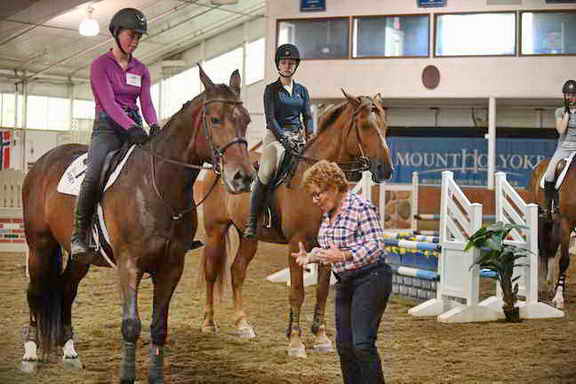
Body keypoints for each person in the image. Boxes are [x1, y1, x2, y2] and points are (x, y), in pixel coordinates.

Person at [70, 8, 160, 264]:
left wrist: (153, 125)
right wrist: (131, 127)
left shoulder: (141, 69)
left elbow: (147, 103)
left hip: (135, 126)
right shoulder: (100, 65)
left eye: (138, 37)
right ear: (117, 32)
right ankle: (79, 234)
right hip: (108, 128)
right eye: (131, 35)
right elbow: (108, 103)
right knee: (95, 172)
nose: (135, 41)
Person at [292, 160, 392, 384]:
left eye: (318, 194)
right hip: (346, 281)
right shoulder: (327, 216)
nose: (315, 200)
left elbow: (376, 244)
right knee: (344, 346)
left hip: (372, 278)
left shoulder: (360, 207)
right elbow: (330, 250)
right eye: (312, 195)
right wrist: (311, 256)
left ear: (334, 187)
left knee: (362, 344)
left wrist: (346, 255)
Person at [244, 43, 314, 238]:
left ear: (295, 66)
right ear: (278, 65)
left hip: (298, 137)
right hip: (275, 137)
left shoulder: (302, 91)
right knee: (266, 172)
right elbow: (271, 119)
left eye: (291, 63)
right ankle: (252, 220)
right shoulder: (271, 90)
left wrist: (311, 136)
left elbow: (307, 116)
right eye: (284, 62)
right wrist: (284, 139)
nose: (287, 66)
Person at [542, 79, 576, 219]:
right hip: (564, 148)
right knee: (549, 174)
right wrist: (568, 113)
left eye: (572, 94)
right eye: (567, 95)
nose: (569, 97)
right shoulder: (560, 111)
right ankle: (548, 207)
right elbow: (561, 130)